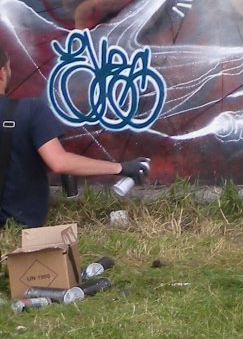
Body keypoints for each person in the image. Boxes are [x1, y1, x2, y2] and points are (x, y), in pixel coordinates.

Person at [0, 54, 147, 229]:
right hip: (19, 229)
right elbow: (59, 162)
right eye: (9, 68)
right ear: (2, 72)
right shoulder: (30, 110)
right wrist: (120, 168)